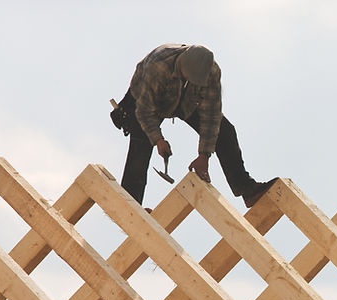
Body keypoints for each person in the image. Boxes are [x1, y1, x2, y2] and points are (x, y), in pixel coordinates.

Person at [110, 44, 275, 209]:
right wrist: (158, 140)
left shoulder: (211, 71)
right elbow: (145, 111)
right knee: (139, 150)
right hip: (146, 101)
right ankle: (130, 208)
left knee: (225, 132)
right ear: (182, 64)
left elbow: (212, 116)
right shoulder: (158, 66)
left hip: (186, 101)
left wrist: (204, 155)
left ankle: (247, 189)